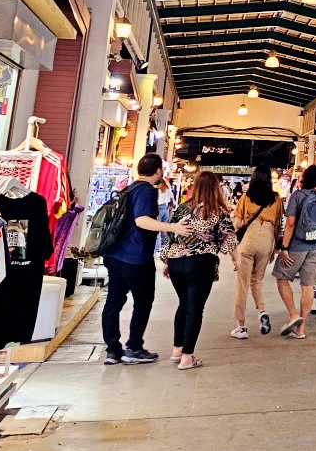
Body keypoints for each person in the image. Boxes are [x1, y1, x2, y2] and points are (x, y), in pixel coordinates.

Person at [102, 154, 192, 366]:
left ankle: (113, 351)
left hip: (115, 254)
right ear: (158, 171)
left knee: (113, 303)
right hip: (135, 257)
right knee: (143, 302)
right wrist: (173, 227)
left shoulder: (128, 189)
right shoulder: (146, 191)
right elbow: (142, 220)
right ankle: (133, 348)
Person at [160, 171, 239, 370]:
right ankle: (187, 358)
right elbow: (228, 238)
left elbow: (170, 233)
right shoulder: (218, 211)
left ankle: (177, 349)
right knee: (195, 308)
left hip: (177, 261)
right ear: (216, 187)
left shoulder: (181, 208)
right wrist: (236, 259)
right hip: (201, 263)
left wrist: (166, 260)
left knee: (183, 303)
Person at [273, 164, 316, 339]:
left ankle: (293, 314)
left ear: (304, 177)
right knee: (308, 286)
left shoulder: (297, 196)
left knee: (282, 277)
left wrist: (284, 247)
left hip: (297, 246)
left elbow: (290, 223)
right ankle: (301, 329)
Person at [230, 164, 285, 339]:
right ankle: (261, 311)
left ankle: (241, 327)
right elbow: (277, 225)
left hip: (249, 239)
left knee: (243, 284)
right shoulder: (276, 199)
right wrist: (274, 248)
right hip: (267, 240)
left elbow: (237, 224)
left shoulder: (246, 197)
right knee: (257, 281)